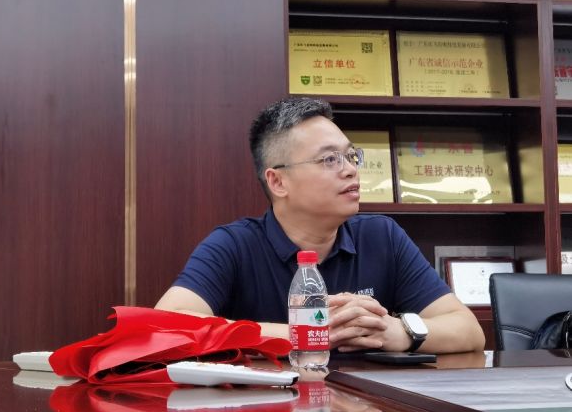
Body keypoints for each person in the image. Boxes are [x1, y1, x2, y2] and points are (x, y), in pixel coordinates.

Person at [156, 97, 485, 353]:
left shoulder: (381, 237)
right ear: (278, 181)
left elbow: (468, 330)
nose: (350, 170)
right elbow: (166, 326)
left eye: (351, 156)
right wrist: (303, 334)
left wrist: (397, 331)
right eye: (329, 159)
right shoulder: (234, 245)